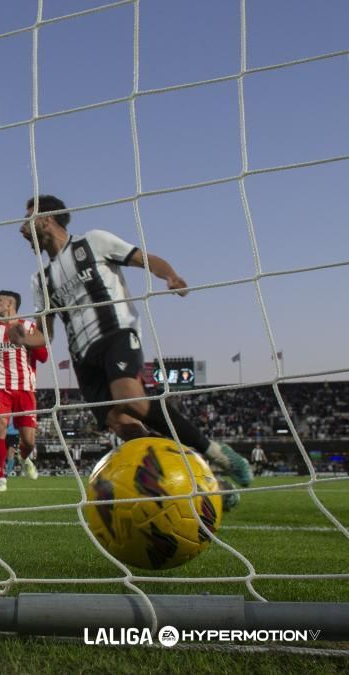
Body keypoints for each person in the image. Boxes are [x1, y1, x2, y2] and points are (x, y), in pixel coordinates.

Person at [13, 195, 252, 506]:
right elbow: (45, 334)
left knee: (131, 398)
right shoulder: (40, 279)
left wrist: (170, 276)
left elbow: (145, 258)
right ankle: (208, 481)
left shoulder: (94, 242)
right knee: (121, 424)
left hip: (115, 334)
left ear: (46, 219)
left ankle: (216, 453)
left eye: (27, 219)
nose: (21, 229)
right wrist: (23, 338)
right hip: (83, 359)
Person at [0, 290, 48, 492]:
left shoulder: (29, 327)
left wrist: (27, 341)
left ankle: (24, 458)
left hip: (25, 389)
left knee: (29, 441)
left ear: (10, 304)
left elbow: (43, 357)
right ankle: (0, 478)